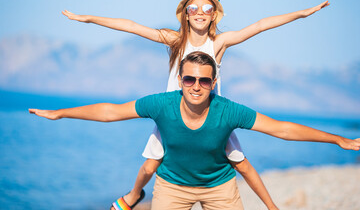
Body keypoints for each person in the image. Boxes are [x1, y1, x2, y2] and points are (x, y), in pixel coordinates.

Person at [62, 0, 329, 209]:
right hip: (171, 115)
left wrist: (302, 14)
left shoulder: (219, 43)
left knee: (240, 162)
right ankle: (132, 197)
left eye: (207, 9)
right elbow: (131, 26)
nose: (200, 13)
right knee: (149, 166)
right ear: (185, 15)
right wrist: (88, 19)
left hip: (211, 117)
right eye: (193, 8)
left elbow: (260, 25)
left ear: (214, 15)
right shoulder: (174, 39)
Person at [29, 51, 360, 210]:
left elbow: (282, 129)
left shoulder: (228, 110)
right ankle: (132, 198)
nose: (196, 86)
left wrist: (338, 139)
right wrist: (61, 113)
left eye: (204, 80)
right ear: (180, 80)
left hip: (220, 188)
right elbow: (111, 112)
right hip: (172, 188)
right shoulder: (162, 104)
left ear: (213, 83)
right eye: (190, 78)